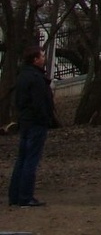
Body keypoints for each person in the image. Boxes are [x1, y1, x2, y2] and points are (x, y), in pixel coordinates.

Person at [8, 46, 58, 207]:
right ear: (35, 59)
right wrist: (46, 118)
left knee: (22, 158)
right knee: (31, 159)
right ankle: (25, 196)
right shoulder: (36, 78)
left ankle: (15, 195)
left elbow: (21, 101)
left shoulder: (23, 76)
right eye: (42, 56)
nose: (44, 59)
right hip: (36, 123)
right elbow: (39, 103)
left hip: (25, 122)